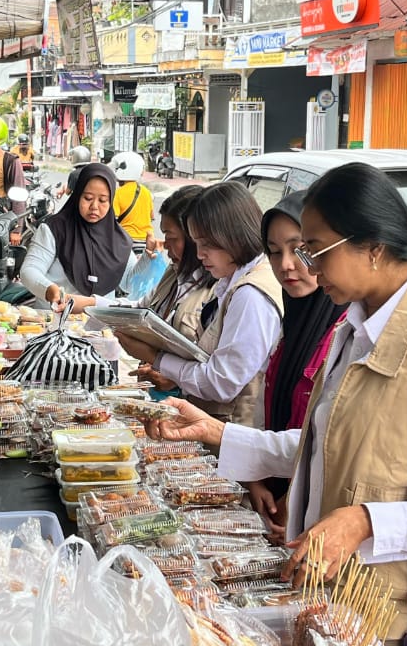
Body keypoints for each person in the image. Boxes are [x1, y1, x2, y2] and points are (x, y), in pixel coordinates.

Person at [150, 162, 407, 646]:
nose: (306, 266)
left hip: (401, 623)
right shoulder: (354, 327)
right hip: (336, 605)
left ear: (373, 247)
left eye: (315, 249)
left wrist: (366, 521)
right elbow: (327, 447)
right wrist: (218, 434)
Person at [116, 180, 282, 426]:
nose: (200, 253)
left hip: (230, 432)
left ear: (232, 235)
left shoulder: (250, 294)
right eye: (197, 244)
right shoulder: (232, 282)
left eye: (205, 244)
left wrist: (156, 357)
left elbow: (221, 383)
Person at [245, 191, 348, 536]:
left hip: (320, 523)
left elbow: (331, 443)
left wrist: (297, 500)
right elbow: (267, 413)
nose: (286, 264)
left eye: (300, 249)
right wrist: (257, 475)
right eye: (274, 253)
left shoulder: (347, 333)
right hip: (275, 507)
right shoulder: (290, 323)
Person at [119, 185, 214, 393]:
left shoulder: (217, 290)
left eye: (172, 238)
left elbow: (219, 374)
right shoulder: (173, 273)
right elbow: (140, 310)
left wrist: (174, 378)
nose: (165, 245)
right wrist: (93, 305)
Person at [19, 162, 135, 313]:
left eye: (102, 200)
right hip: (53, 320)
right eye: (87, 198)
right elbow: (29, 270)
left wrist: (148, 259)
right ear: (77, 195)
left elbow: (129, 283)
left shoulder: (119, 239)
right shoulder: (53, 229)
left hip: (99, 327)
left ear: (111, 200)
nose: (94, 206)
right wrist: (48, 290)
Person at [110, 150, 155, 252]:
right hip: (146, 242)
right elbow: (151, 217)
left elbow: (113, 219)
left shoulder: (118, 193)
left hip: (125, 242)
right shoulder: (147, 193)